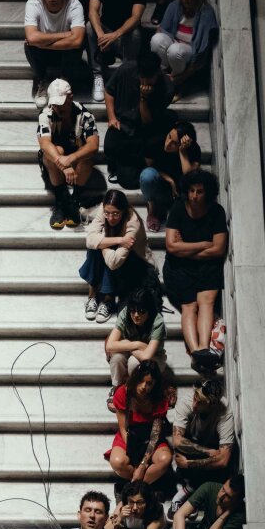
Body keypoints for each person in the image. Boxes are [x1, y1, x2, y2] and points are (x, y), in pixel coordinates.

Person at [163, 170, 228, 363]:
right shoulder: (177, 209)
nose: (194, 195)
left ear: (207, 192)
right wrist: (203, 244)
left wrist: (186, 249)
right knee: (189, 306)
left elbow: (219, 250)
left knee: (206, 303)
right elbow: (171, 246)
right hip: (178, 268)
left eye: (199, 191)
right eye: (191, 191)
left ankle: (203, 349)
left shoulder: (216, 211)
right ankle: (195, 352)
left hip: (207, 267)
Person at [103, 49, 172, 190]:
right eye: (143, 77)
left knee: (128, 179)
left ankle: (143, 163)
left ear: (158, 73)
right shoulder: (126, 70)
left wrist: (143, 98)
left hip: (145, 131)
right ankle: (134, 161)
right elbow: (109, 91)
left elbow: (148, 122)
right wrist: (111, 117)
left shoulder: (167, 88)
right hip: (123, 125)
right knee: (110, 147)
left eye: (150, 78)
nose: (146, 82)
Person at [80, 189, 153, 323]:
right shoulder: (104, 208)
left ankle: (108, 300)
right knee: (95, 248)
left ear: (123, 210)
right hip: (116, 253)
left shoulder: (132, 223)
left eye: (115, 214)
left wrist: (102, 241)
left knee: (102, 247)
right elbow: (89, 241)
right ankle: (92, 296)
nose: (110, 217)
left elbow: (114, 262)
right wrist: (118, 240)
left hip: (135, 262)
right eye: (107, 213)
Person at [36, 79, 99, 229]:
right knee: (56, 150)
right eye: (55, 103)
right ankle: (61, 200)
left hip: (76, 158)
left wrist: (71, 159)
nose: (57, 107)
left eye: (61, 102)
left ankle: (75, 198)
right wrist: (63, 164)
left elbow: (94, 145)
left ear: (70, 97)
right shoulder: (46, 114)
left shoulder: (85, 115)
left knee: (87, 152)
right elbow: (44, 143)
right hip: (55, 161)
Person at [86, 0, 148, 101]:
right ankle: (98, 76)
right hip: (106, 30)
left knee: (136, 33)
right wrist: (101, 36)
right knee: (90, 27)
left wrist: (115, 35)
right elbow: (93, 11)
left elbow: (136, 17)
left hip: (126, 33)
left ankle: (126, 76)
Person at [151, 0, 218, 99]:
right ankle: (161, 77)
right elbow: (163, 31)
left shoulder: (206, 13)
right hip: (173, 44)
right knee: (157, 39)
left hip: (189, 51)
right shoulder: (174, 6)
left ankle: (176, 85)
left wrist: (182, 76)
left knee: (175, 50)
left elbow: (202, 53)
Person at [24, 0, 86, 108]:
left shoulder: (74, 4)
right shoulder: (34, 3)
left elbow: (77, 40)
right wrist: (65, 34)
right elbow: (32, 37)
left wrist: (43, 42)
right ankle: (43, 80)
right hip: (44, 54)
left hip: (66, 54)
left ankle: (64, 81)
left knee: (78, 45)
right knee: (29, 46)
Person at [106, 361, 174, 486]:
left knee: (165, 459)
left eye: (149, 383)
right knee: (117, 462)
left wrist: (143, 465)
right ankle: (138, 487)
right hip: (130, 435)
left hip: (150, 438)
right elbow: (123, 428)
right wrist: (136, 460)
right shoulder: (123, 393)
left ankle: (138, 488)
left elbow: (155, 436)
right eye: (140, 381)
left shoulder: (159, 398)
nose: (143, 386)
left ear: (155, 385)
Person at [104, 284, 167, 403]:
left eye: (141, 311)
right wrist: (136, 344)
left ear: (149, 311)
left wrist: (125, 344)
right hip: (133, 351)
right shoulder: (125, 313)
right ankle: (117, 388)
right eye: (133, 311)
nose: (136, 315)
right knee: (117, 358)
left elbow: (146, 357)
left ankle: (135, 392)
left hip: (155, 358)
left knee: (134, 362)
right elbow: (110, 346)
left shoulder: (157, 321)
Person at [140, 118, 202, 232]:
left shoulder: (194, 150)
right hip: (160, 183)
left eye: (174, 143)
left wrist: (182, 153)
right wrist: (170, 180)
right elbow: (150, 167)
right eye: (169, 136)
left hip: (181, 190)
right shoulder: (155, 142)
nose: (168, 144)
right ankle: (152, 210)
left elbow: (189, 177)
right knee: (147, 175)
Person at [171, 376, 235, 486]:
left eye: (200, 402)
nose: (194, 405)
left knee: (222, 471)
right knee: (179, 463)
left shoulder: (224, 412)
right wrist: (206, 451)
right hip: (194, 446)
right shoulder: (186, 402)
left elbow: (223, 460)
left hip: (212, 446)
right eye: (195, 398)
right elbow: (177, 440)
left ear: (212, 404)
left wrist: (188, 464)